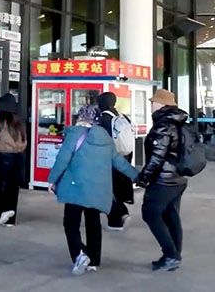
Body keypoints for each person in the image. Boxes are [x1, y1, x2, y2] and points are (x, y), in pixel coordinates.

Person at [48, 106, 138, 275]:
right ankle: (94, 260)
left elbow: (63, 159)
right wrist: (137, 176)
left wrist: (52, 180)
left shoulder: (74, 134)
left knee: (71, 223)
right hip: (98, 187)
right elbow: (118, 161)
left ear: (80, 117)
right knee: (93, 222)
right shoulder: (104, 137)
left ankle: (79, 254)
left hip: (76, 186)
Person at [137, 89, 189, 273]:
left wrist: (143, 177)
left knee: (150, 213)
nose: (151, 105)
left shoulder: (164, 125)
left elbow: (157, 157)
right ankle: (173, 256)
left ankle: (171, 255)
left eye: (153, 102)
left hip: (164, 180)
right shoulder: (179, 122)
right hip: (179, 179)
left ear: (161, 104)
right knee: (171, 215)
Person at [97, 92, 135, 231]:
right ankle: (123, 214)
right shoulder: (120, 115)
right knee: (116, 188)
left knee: (107, 190)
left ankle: (115, 222)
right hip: (122, 158)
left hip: (108, 160)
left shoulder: (104, 119)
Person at [0, 93, 27, 226]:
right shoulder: (18, 121)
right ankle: (10, 220)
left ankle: (3, 211)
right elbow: (24, 141)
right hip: (19, 158)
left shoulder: (0, 120)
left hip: (4, 157)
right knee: (12, 188)